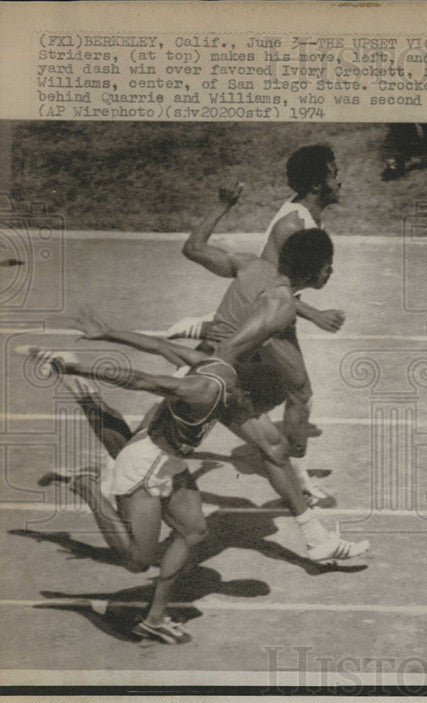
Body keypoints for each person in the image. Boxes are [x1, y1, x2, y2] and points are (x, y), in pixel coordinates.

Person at [174, 180, 368, 563]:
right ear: (315, 276)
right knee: (147, 468)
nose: (332, 272)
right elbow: (243, 354)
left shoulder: (253, 265)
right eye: (329, 268)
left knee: (274, 442)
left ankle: (317, 540)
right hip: (211, 380)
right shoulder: (279, 309)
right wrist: (206, 369)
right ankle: (84, 390)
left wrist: (223, 205)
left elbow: (193, 248)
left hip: (213, 372)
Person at [26, 309, 247, 644]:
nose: (252, 409)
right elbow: (140, 380)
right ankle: (86, 486)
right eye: (251, 401)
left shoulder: (221, 370)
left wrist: (108, 330)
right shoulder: (200, 391)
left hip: (167, 458)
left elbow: (161, 346)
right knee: (138, 561)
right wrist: (75, 366)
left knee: (194, 530)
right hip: (144, 463)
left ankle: (155, 618)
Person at [169, 147, 346, 504]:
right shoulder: (292, 226)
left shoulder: (309, 216)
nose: (339, 180)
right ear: (316, 184)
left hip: (272, 310)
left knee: (278, 390)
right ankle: (299, 479)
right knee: (299, 393)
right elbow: (268, 283)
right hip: (268, 316)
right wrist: (316, 315)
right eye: (333, 174)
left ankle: (207, 340)